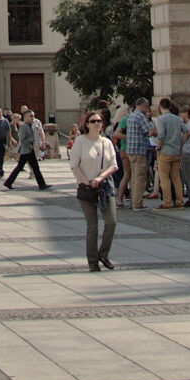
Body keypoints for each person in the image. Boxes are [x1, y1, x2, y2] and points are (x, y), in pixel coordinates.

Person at [69, 110, 118, 272]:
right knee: (92, 226)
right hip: (86, 188)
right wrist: (87, 182)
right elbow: (74, 165)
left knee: (111, 222)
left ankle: (103, 254)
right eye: (93, 121)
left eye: (99, 121)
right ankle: (92, 261)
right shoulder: (81, 141)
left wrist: (100, 178)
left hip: (105, 188)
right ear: (87, 124)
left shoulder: (106, 142)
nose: (97, 123)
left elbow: (114, 165)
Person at [117, 99, 153, 209]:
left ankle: (133, 201)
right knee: (140, 177)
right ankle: (137, 203)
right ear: (143, 106)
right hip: (139, 151)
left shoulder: (131, 116)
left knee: (133, 177)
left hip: (130, 151)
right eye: (147, 107)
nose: (147, 109)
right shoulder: (140, 116)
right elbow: (150, 131)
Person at [3, 107, 48, 190]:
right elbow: (22, 139)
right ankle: (42, 184)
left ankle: (8, 182)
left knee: (22, 167)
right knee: (34, 167)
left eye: (33, 116)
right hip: (26, 150)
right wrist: (30, 143)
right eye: (31, 116)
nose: (32, 117)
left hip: (27, 150)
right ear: (26, 117)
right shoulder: (24, 126)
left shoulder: (29, 125)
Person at [153, 101, 187, 208]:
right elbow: (186, 131)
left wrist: (158, 147)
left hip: (165, 150)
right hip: (176, 151)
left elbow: (161, 134)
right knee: (176, 178)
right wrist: (181, 144)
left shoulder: (162, 119)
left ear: (160, 107)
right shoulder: (177, 118)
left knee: (164, 177)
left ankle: (167, 202)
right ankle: (179, 200)